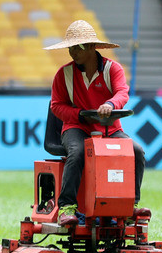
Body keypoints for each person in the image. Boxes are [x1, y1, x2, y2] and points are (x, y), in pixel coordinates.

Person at [45, 19, 148, 228]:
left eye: (77, 47)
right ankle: (66, 208)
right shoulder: (63, 74)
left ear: (91, 47)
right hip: (75, 127)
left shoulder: (113, 69)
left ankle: (130, 205)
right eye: (70, 48)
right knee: (78, 152)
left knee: (136, 152)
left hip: (110, 129)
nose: (72, 53)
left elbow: (122, 93)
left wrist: (111, 104)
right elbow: (56, 106)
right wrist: (80, 115)